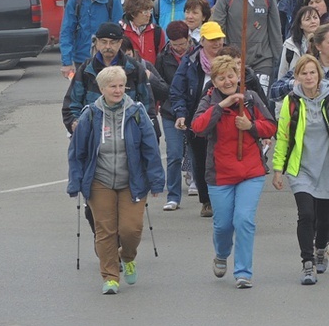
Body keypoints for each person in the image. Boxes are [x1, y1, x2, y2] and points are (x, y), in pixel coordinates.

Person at [67, 66, 165, 295]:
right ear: (102, 89)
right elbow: (77, 152)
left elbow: (151, 149)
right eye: (113, 86)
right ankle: (110, 276)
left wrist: (157, 180)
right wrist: (75, 182)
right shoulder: (90, 114)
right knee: (105, 231)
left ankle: (128, 257)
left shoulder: (137, 112)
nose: (118, 90)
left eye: (122, 85)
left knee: (131, 229)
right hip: (99, 181)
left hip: (133, 181)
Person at [271, 55, 329, 285]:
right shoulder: (291, 102)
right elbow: (283, 136)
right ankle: (307, 263)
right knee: (306, 215)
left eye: (312, 72)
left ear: (319, 75)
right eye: (304, 73)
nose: (309, 77)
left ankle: (320, 248)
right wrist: (277, 169)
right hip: (301, 167)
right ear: (297, 77)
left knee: (324, 220)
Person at [191, 56, 276, 289]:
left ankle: (243, 271)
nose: (227, 81)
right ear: (215, 81)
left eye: (231, 76)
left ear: (238, 77)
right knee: (223, 225)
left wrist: (251, 127)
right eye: (221, 77)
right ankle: (221, 253)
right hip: (220, 173)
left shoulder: (251, 99)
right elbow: (197, 128)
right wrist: (221, 106)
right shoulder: (209, 101)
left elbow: (271, 125)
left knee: (244, 220)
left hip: (251, 170)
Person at [170, 21, 227, 217]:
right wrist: (181, 113)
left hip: (225, 116)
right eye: (211, 39)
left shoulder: (229, 58)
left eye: (219, 39)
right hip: (198, 117)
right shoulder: (190, 61)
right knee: (201, 161)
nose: (216, 43)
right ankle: (206, 201)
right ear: (201, 40)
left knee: (223, 159)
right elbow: (177, 90)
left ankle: (225, 199)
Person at [62, 22, 156, 135]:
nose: (107, 46)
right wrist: (75, 123)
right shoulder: (86, 69)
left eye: (112, 42)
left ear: (120, 43)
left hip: (128, 134)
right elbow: (72, 104)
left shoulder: (134, 68)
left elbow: (147, 105)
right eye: (103, 42)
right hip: (93, 135)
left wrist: (144, 131)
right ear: (96, 43)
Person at [211, 0, 283, 94]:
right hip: (234, 61)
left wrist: (279, 61)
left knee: (260, 99)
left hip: (262, 60)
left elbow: (275, 32)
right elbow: (217, 29)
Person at [59, 0, 123, 78]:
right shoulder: (75, 0)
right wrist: (67, 62)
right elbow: (66, 32)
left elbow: (120, 31)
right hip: (82, 59)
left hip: (108, 59)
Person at [155, 21, 193, 210]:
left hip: (194, 110)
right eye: (174, 44)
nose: (178, 48)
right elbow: (158, 82)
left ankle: (201, 188)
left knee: (197, 152)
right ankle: (173, 196)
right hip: (170, 112)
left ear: (188, 39)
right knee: (174, 154)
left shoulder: (197, 55)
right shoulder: (163, 56)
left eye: (182, 44)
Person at [120, 0, 165, 65]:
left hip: (151, 74)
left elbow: (161, 58)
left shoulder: (157, 32)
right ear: (133, 14)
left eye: (150, 11)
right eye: (145, 12)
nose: (149, 15)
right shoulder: (120, 31)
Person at [278, 5, 320, 79]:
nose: (313, 21)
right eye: (308, 19)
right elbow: (283, 72)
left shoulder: (324, 41)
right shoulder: (290, 44)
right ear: (300, 25)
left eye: (315, 18)